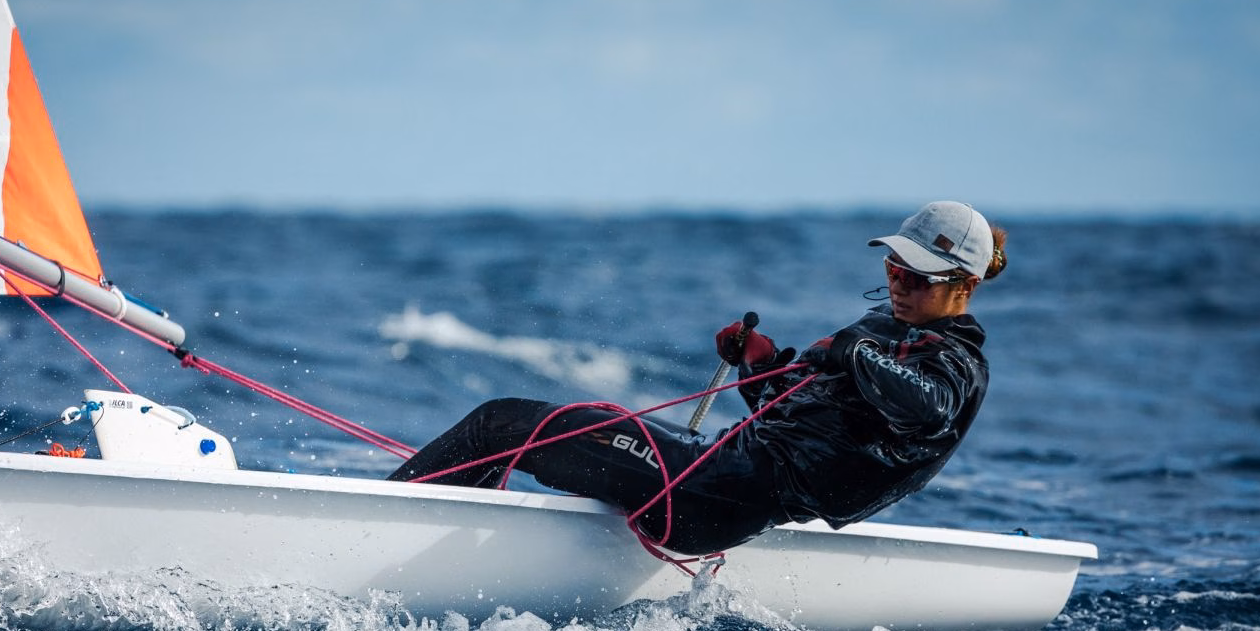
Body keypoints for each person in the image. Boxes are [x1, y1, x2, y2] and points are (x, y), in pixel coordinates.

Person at [387, 201, 1007, 556]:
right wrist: (760, 363)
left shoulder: (953, 362)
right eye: (895, 264)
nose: (899, 280)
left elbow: (929, 408)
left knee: (501, 424)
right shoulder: (887, 332)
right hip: (719, 474)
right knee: (523, 426)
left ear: (966, 285)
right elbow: (802, 418)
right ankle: (437, 538)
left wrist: (854, 352)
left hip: (719, 495)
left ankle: (381, 536)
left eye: (919, 275)